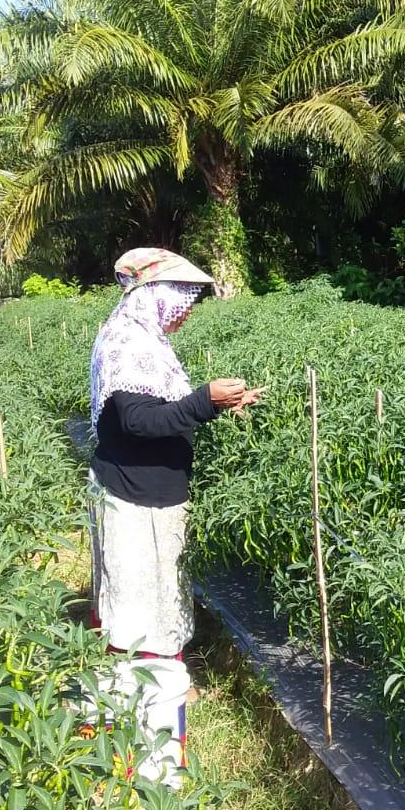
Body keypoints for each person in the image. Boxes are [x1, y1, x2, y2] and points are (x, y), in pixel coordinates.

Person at [86, 247, 260, 781]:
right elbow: (138, 422)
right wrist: (205, 399)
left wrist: (217, 406)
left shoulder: (147, 341)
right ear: (156, 297)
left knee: (156, 601)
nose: (184, 314)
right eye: (181, 301)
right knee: (137, 610)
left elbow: (163, 413)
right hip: (133, 498)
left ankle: (155, 705)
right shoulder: (127, 343)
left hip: (154, 495)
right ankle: (141, 732)